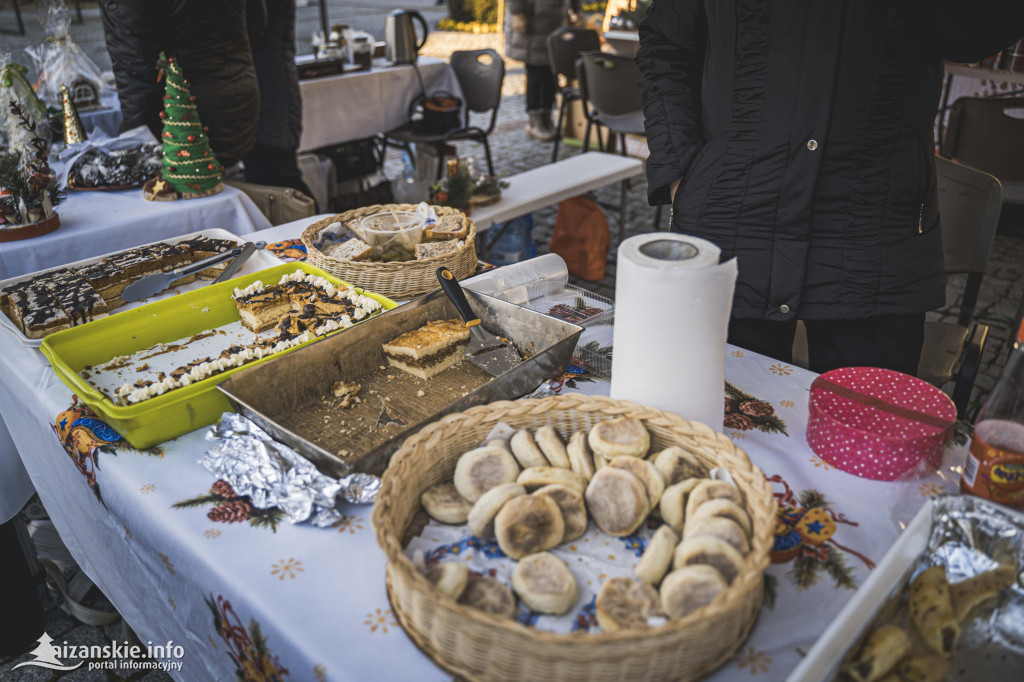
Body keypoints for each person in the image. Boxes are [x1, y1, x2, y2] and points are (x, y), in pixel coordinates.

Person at [636, 1, 1024, 375]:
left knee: (869, 433)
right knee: (708, 427)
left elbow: (974, 34)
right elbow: (666, 44)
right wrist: (682, 176)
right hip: (731, 218)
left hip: (872, 235)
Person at [99, 0, 258, 169]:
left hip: (185, 117)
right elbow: (257, 23)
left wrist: (136, 147)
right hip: (237, 95)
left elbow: (135, 67)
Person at [242, 0, 314, 200]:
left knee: (281, 183)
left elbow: (254, 24)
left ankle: (321, 229)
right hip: (263, 85)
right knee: (268, 179)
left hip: (269, 91)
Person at [506, 0, 578, 141]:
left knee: (551, 73)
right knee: (536, 72)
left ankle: (547, 119)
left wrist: (577, 9)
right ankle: (535, 122)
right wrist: (517, 13)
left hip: (553, 21)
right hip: (531, 20)